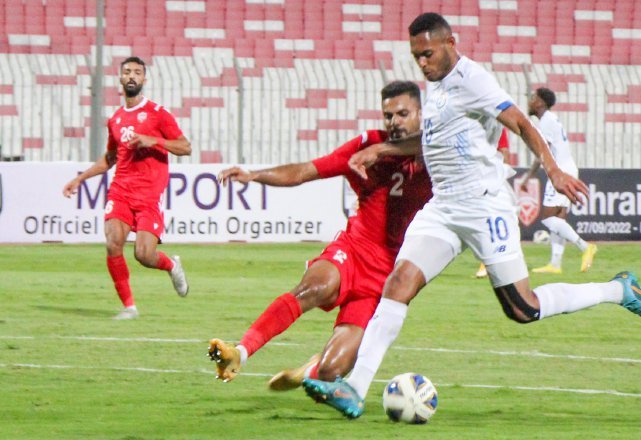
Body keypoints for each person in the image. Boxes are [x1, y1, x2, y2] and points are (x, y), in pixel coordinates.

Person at [302, 13, 641, 419]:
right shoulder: (436, 86)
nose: (422, 63)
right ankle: (353, 388)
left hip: (484, 206)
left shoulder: (472, 80)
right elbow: (433, 141)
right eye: (415, 56)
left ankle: (621, 290)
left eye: (428, 54)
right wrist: (383, 150)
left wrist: (553, 170)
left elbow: (520, 122)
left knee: (522, 308)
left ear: (450, 42)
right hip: (444, 208)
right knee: (399, 282)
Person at [206, 81, 432, 390]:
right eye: (388, 116)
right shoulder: (366, 147)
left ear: (421, 113)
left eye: (403, 114)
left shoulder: (436, 152)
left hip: (387, 275)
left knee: (331, 372)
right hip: (353, 250)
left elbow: (454, 142)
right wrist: (255, 175)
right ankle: (239, 353)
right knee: (314, 287)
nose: (394, 122)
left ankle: (312, 368)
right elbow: (305, 171)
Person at [62, 56, 191, 320]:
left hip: (148, 195)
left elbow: (185, 147)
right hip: (120, 190)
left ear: (144, 79)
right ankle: (129, 307)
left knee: (143, 254)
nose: (132, 76)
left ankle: (171, 265)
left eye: (137, 72)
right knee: (112, 243)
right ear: (120, 79)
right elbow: (110, 157)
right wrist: (81, 178)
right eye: (127, 72)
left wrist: (151, 140)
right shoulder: (116, 119)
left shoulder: (158, 113)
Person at [520, 87, 597, 274]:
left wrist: (528, 177)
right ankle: (555, 264)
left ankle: (585, 247)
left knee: (548, 218)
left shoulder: (545, 122)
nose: (530, 101)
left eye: (533, 98)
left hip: (561, 171)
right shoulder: (551, 120)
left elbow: (541, 154)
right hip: (569, 168)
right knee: (559, 218)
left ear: (540, 102)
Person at [475, 127, 511, 278]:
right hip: (477, 180)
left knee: (489, 220)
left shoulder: (496, 125)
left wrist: (498, 177)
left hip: (491, 181)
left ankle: (490, 262)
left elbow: (504, 154)